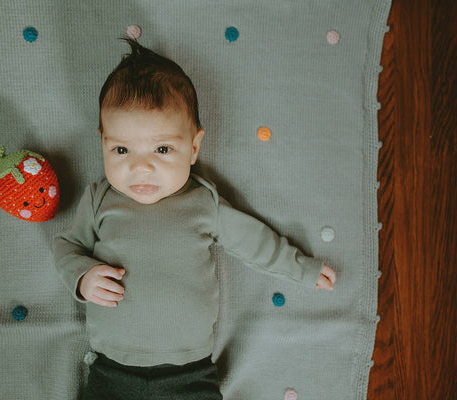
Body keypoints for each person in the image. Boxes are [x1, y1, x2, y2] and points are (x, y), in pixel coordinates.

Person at [53, 37, 337, 400]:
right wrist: (83, 276)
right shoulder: (100, 199)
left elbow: (253, 241)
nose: (141, 167)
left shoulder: (203, 202)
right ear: (103, 143)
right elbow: (66, 245)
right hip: (112, 367)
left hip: (189, 371)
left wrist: (301, 268)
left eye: (162, 149)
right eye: (121, 149)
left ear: (194, 147)